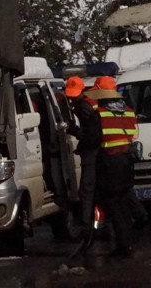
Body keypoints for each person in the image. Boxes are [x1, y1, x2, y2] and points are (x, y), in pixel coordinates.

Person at [93, 76, 140, 257]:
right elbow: (134, 133)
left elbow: (95, 139)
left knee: (113, 205)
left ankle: (124, 246)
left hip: (109, 163)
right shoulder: (128, 111)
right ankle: (129, 236)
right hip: (127, 162)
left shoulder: (100, 113)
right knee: (122, 201)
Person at [64, 76, 102, 254]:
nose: (71, 98)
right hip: (97, 152)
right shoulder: (89, 103)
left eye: (74, 95)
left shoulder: (84, 107)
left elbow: (91, 135)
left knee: (86, 191)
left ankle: (87, 228)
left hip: (92, 154)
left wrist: (75, 132)